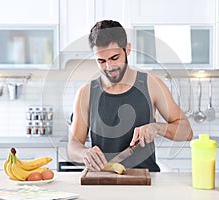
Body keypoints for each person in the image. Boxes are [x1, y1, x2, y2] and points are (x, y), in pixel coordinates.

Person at [68, 20, 193, 172]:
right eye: (101, 61)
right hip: (103, 181)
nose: (109, 67)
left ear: (127, 49)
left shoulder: (152, 85)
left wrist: (157, 127)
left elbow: (187, 132)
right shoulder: (85, 93)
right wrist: (84, 154)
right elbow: (73, 146)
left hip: (146, 182)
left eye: (114, 58)